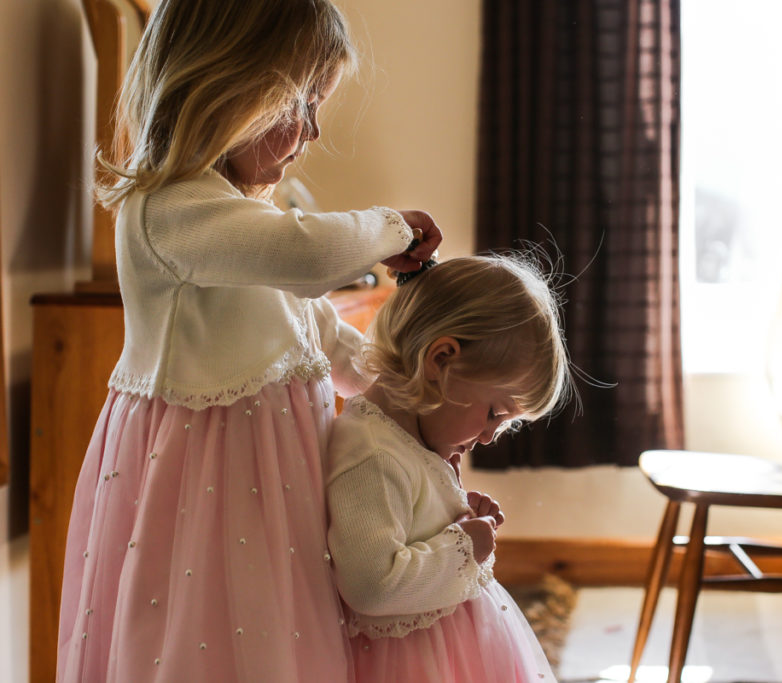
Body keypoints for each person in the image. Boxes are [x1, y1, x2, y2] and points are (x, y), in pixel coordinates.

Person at [56, 1, 442, 681]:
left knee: (277, 636)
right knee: (205, 639)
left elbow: (311, 325)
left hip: (272, 481)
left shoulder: (245, 214)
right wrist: (392, 227)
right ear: (226, 85)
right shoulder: (167, 210)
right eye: (302, 101)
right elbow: (304, 257)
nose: (314, 130)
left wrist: (396, 383)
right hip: (203, 484)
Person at [324, 254, 574, 682]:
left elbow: (412, 530)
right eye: (495, 412)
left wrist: (455, 521)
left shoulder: (408, 441)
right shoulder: (372, 454)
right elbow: (372, 585)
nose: (490, 436)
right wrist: (464, 547)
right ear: (440, 360)